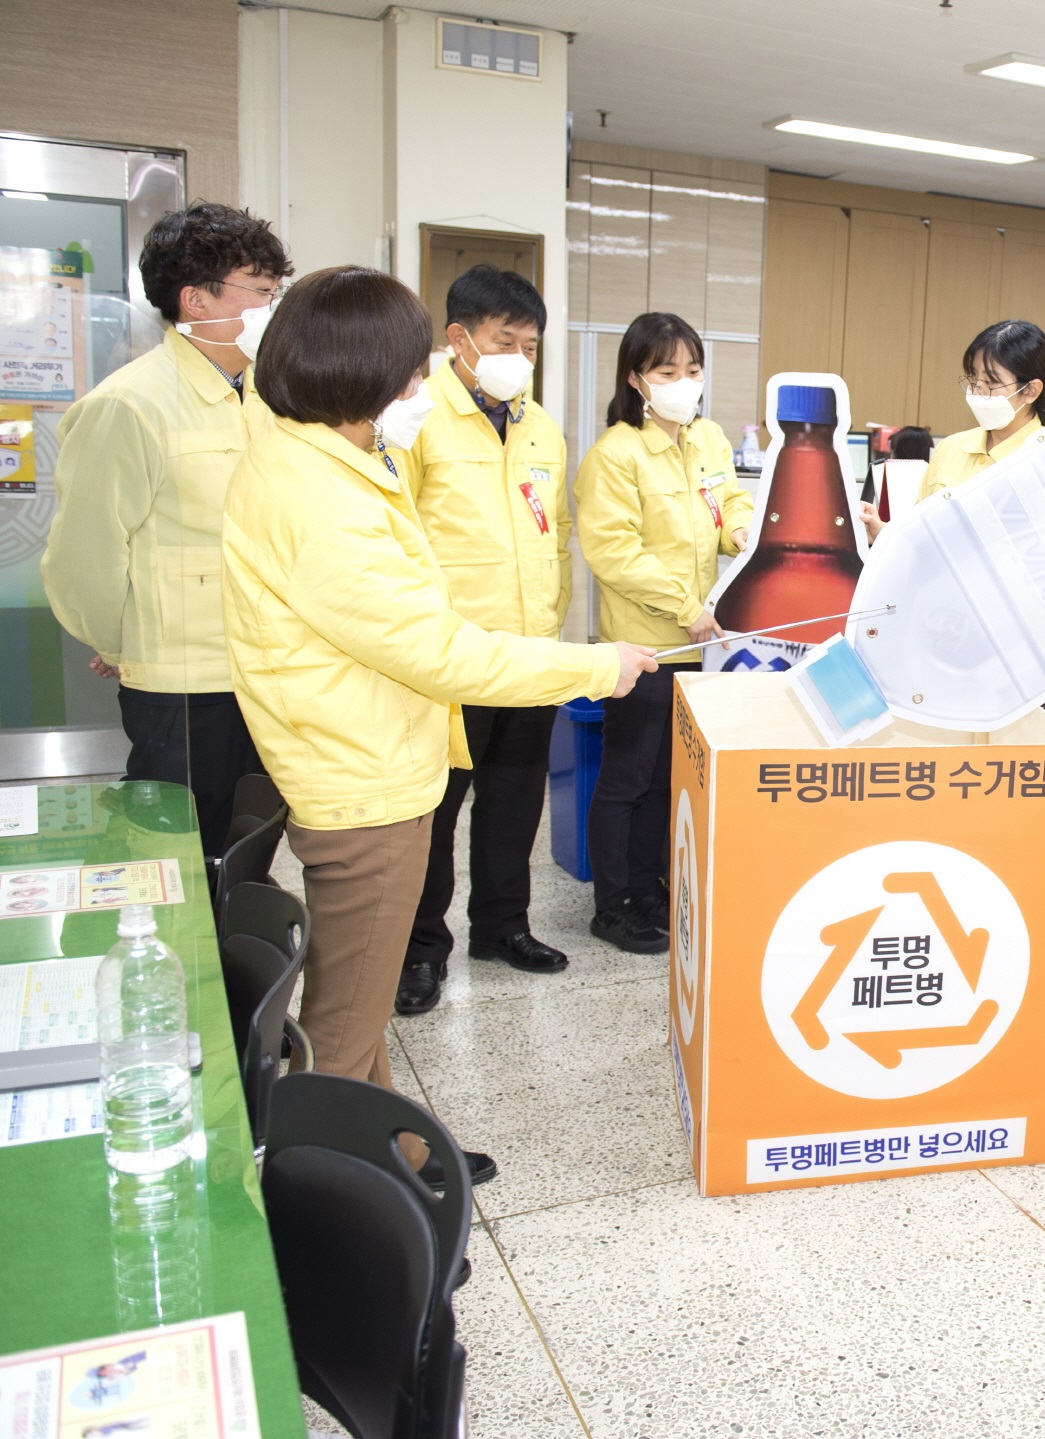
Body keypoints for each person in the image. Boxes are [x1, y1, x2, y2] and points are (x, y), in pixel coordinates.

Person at [222, 266, 654, 1183]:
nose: (421, 387)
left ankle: (402, 1153)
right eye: (410, 373)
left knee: (359, 999)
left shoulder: (313, 459)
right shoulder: (323, 500)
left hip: (363, 754)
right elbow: (437, 650)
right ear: (359, 374)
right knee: (343, 1027)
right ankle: (336, 1206)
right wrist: (596, 666)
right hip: (364, 781)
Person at [42, 203, 291, 858]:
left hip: (270, 670)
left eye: (275, 292)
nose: (271, 309)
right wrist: (122, 640)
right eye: (258, 292)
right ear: (195, 299)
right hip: (186, 685)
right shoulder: (128, 405)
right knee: (181, 856)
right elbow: (84, 558)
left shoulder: (268, 400)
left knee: (250, 844)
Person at [392, 265, 573, 1016]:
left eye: (531, 346)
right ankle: (420, 949)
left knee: (515, 801)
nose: (519, 358)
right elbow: (395, 534)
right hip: (453, 657)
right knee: (437, 812)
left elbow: (554, 533)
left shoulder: (539, 425)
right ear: (459, 338)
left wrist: (552, 620)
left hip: (528, 654)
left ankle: (502, 927)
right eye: (506, 342)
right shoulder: (415, 418)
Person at [575, 312, 752, 953]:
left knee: (664, 777)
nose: (684, 383)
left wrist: (741, 531)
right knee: (626, 776)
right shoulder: (615, 455)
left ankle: (648, 887)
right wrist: (685, 607)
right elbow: (614, 552)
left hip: (697, 641)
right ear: (636, 378)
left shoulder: (707, 438)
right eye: (667, 371)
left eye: (693, 370)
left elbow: (730, 499)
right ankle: (612, 905)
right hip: (643, 644)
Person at [858, 322, 1045, 542]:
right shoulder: (951, 448)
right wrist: (882, 533)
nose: (978, 390)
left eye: (991, 381)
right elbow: (917, 537)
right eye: (975, 378)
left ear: (1030, 391)